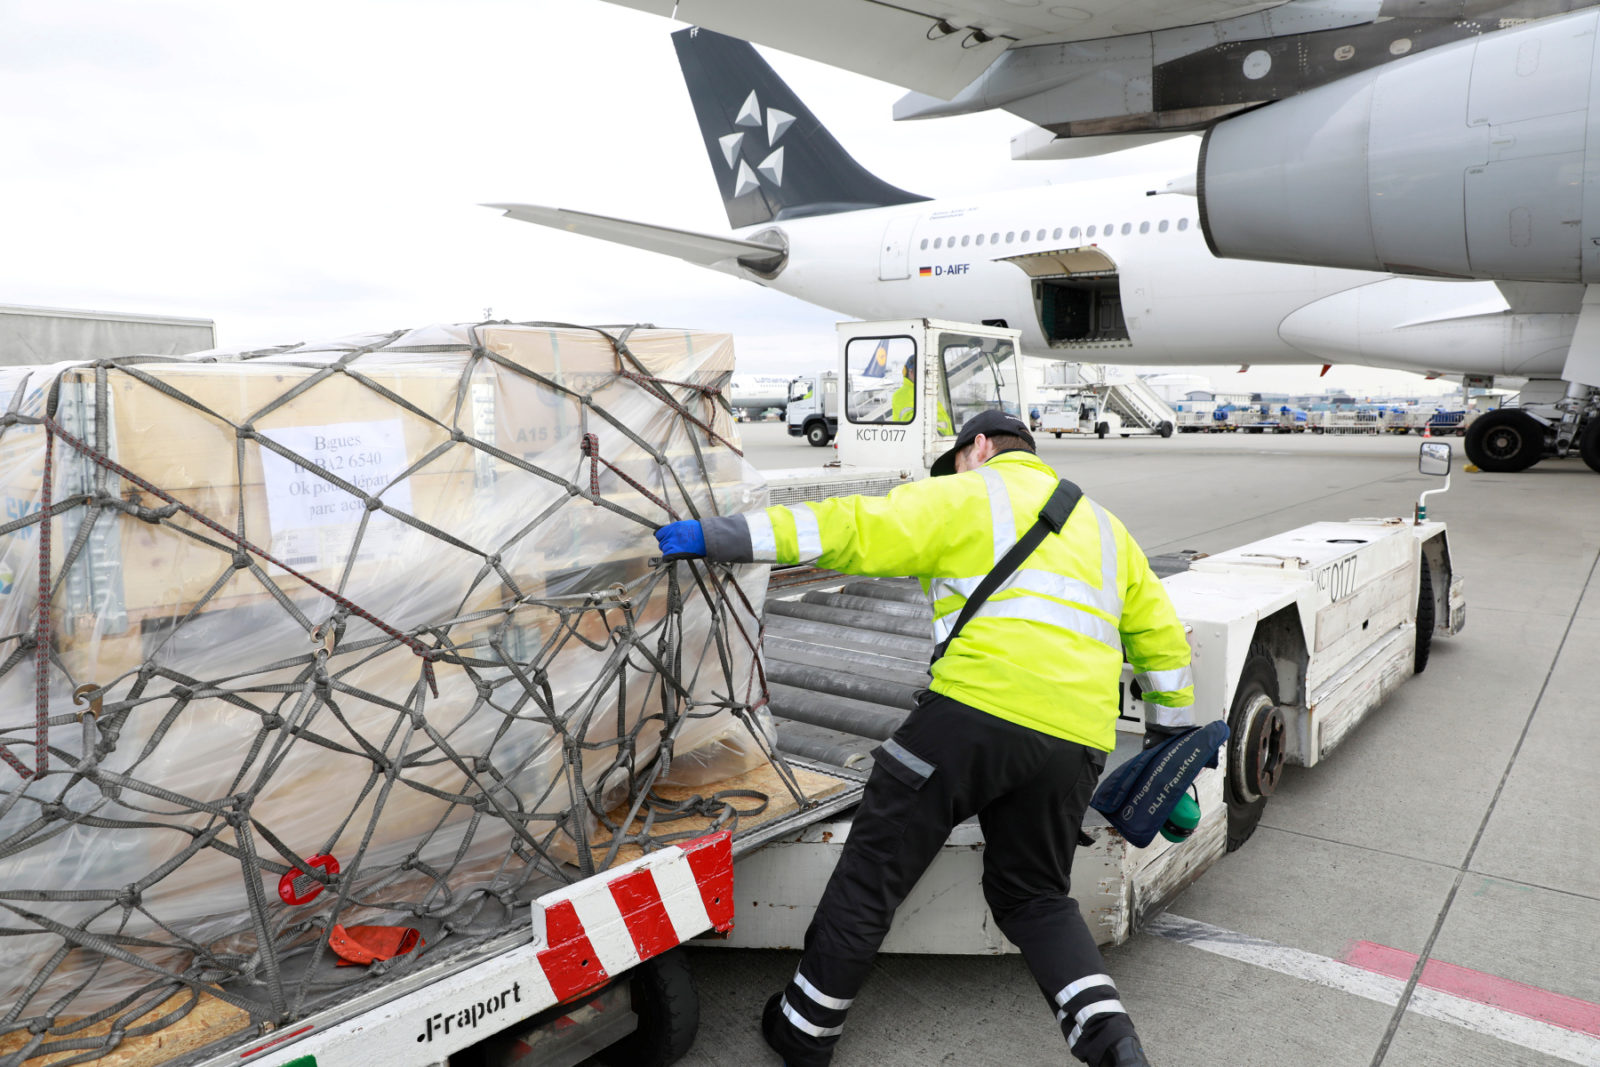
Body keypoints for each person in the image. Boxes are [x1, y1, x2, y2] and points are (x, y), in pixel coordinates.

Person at [653, 409, 1194, 1067]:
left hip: (970, 713)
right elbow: (1162, 642)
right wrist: (1170, 744)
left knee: (876, 868)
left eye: (958, 459)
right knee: (1035, 896)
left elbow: (852, 528)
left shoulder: (973, 493)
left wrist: (725, 535)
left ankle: (804, 1028)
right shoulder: (1108, 530)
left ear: (981, 447)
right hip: (1075, 739)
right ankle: (1114, 1042)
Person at [889, 354, 954, 434]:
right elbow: (913, 425)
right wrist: (937, 434)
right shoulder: (902, 395)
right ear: (910, 372)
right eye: (920, 371)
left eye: (927, 371)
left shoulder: (925, 392)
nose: (926, 375)